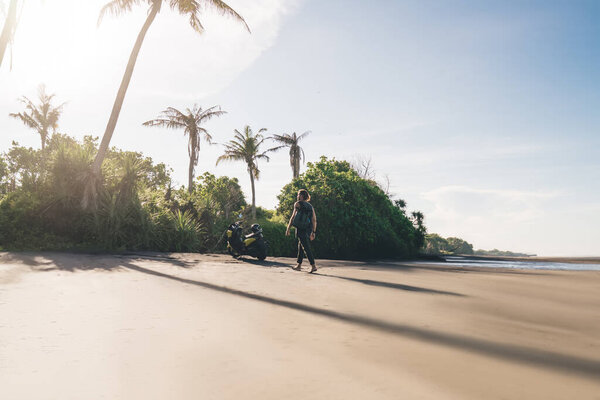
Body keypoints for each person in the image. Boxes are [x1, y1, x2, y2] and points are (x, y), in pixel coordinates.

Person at [286, 189, 317, 273]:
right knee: (301, 245)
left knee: (306, 247)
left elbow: (292, 217)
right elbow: (314, 220)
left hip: (301, 228)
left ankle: (313, 265)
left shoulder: (297, 204)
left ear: (302, 196)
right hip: (308, 228)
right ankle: (299, 265)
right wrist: (313, 232)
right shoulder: (310, 206)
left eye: (299, 194)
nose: (297, 196)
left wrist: (288, 228)